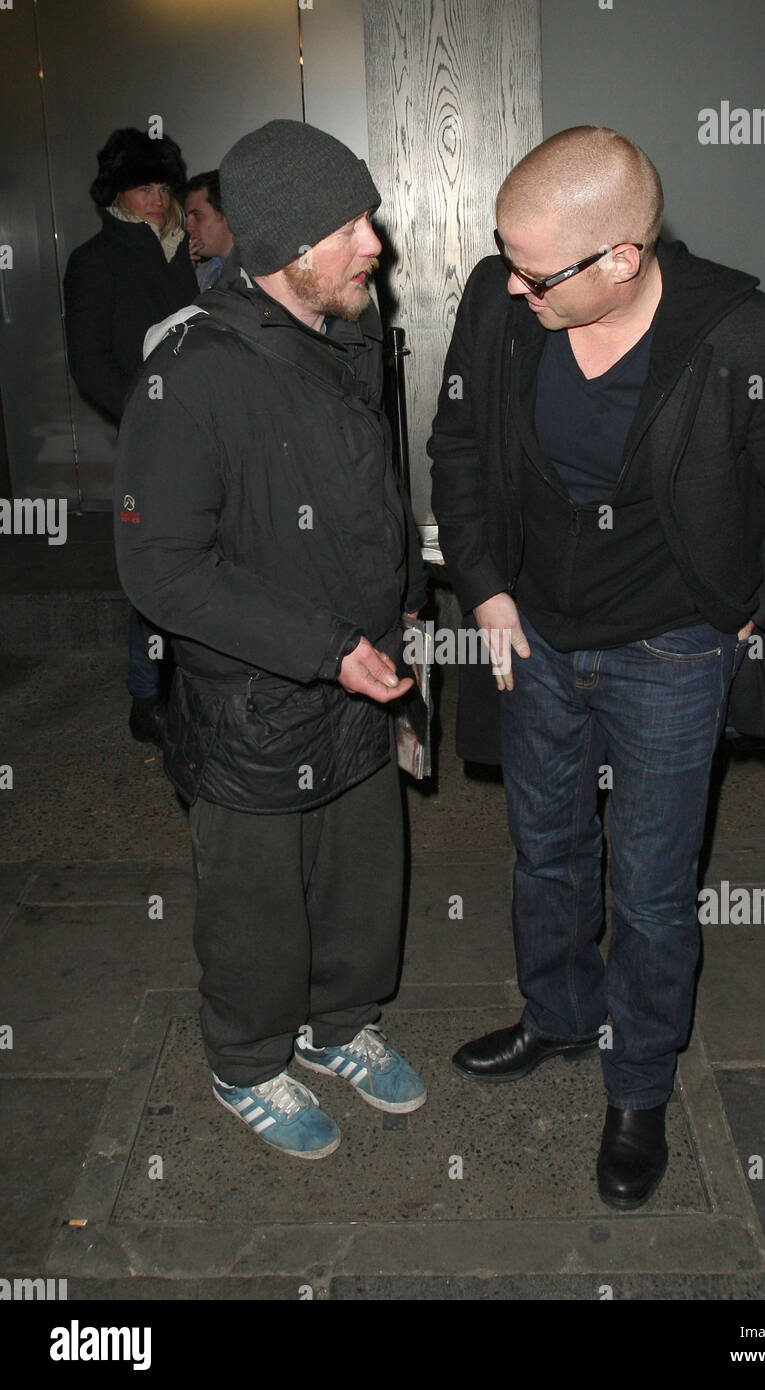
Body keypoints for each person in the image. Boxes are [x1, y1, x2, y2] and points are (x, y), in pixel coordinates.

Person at [427, 126, 765, 1208]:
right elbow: (461, 449)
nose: (510, 287)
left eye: (535, 271)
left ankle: (640, 1084)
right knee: (545, 850)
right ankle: (559, 1017)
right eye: (504, 259)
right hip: (536, 642)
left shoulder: (748, 340)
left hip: (672, 646)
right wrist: (485, 587)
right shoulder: (497, 300)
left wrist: (754, 612)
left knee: (655, 890)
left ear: (622, 257)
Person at [114, 119, 428, 1159]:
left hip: (359, 678)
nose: (374, 242)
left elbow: (369, 493)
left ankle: (337, 1026)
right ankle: (245, 1058)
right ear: (290, 246)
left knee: (357, 880)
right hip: (253, 699)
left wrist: (399, 610)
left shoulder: (346, 332)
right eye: (351, 225)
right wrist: (322, 642)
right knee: (255, 910)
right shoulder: (192, 372)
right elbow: (159, 569)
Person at [63, 127, 199, 745]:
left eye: (162, 184)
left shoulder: (182, 253)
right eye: (143, 185)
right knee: (154, 566)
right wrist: (143, 413)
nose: (155, 195)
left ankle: (193, 686)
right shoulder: (94, 261)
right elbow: (89, 364)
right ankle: (147, 696)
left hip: (202, 429)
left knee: (202, 558)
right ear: (118, 191)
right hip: (148, 435)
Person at [183, 171, 234, 291]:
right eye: (187, 217)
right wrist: (184, 275)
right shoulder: (202, 273)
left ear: (225, 212)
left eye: (196, 215)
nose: (188, 227)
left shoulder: (260, 271)